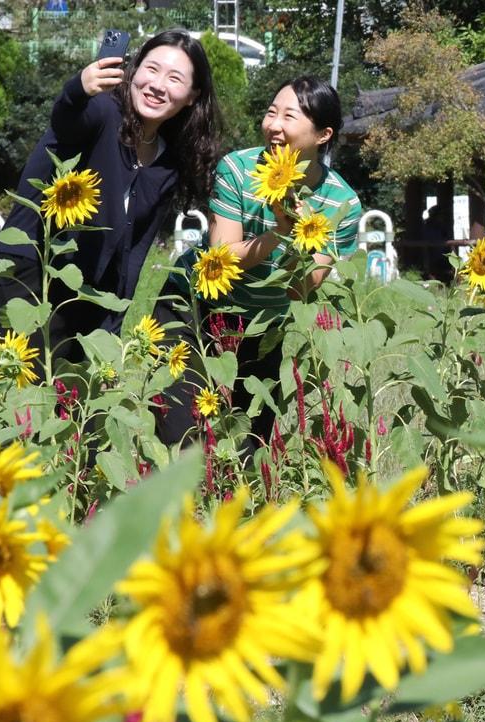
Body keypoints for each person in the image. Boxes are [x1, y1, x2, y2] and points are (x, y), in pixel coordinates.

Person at [0, 29, 219, 364]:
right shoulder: (103, 111)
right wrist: (77, 89)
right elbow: (67, 120)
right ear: (134, 71)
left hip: (91, 290)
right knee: (16, 393)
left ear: (193, 95)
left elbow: (135, 249)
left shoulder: (168, 161)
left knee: (84, 403)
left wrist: (115, 316)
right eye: (151, 70)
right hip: (31, 269)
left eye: (174, 78)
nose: (157, 85)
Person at [154, 76, 362, 447]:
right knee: (179, 431)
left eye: (289, 116)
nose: (274, 125)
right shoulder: (237, 169)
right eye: (271, 113)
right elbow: (220, 259)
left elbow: (300, 289)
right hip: (194, 304)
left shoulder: (340, 205)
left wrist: (302, 240)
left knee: (251, 443)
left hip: (265, 322)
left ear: (322, 135)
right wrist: (278, 234)